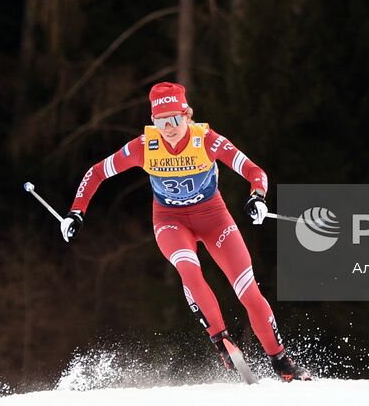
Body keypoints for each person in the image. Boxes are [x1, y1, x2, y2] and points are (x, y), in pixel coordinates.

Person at [61, 82, 311, 382]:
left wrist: (257, 197)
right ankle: (222, 341)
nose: (168, 128)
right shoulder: (144, 146)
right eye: (160, 121)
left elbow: (255, 171)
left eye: (175, 119)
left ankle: (281, 362)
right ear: (152, 122)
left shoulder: (207, 140)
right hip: (170, 221)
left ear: (187, 115)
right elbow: (97, 172)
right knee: (188, 269)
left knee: (248, 290)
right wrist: (76, 212)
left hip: (214, 219)